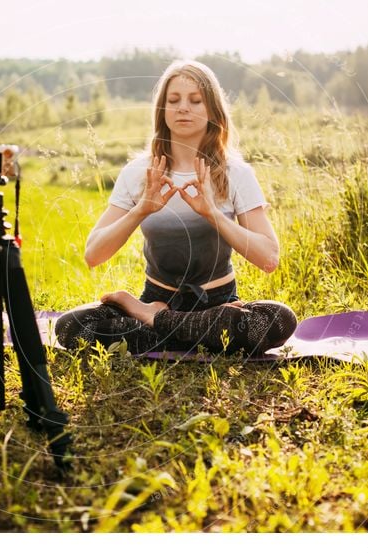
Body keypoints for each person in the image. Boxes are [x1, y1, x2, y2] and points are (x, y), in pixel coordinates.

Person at [55, 60, 297, 356]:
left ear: (213, 111)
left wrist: (212, 213)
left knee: (280, 320)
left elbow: (269, 259)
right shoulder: (138, 172)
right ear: (162, 110)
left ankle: (154, 321)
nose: (183, 107)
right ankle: (196, 332)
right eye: (174, 100)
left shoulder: (236, 173)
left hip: (219, 302)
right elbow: (94, 254)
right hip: (160, 297)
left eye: (196, 101)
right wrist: (141, 209)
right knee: (70, 326)